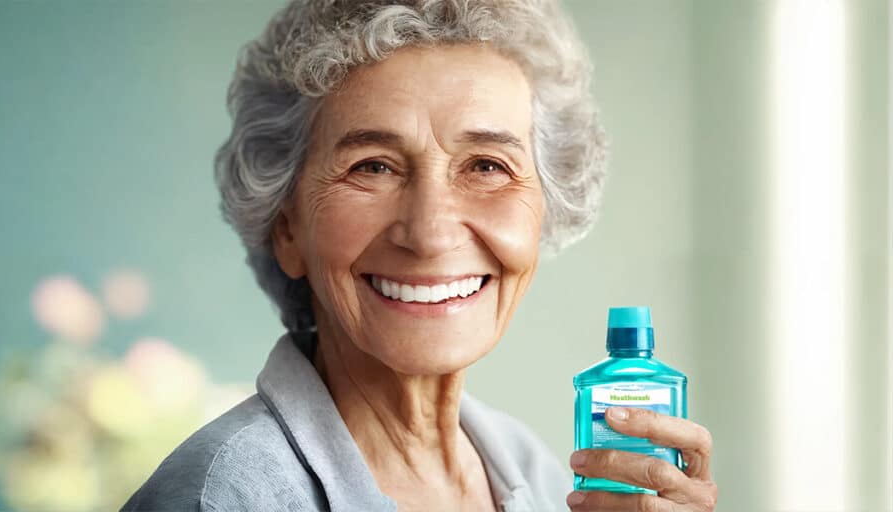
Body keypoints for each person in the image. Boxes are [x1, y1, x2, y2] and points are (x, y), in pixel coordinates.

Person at [123, 1, 718, 510]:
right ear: (286, 228)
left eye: (487, 166)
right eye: (372, 167)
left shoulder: (534, 476)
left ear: (546, 211)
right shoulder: (223, 495)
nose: (430, 233)